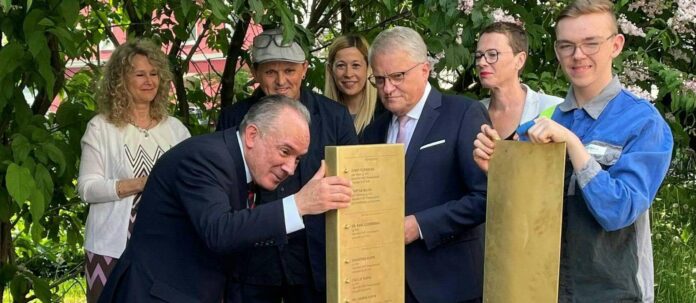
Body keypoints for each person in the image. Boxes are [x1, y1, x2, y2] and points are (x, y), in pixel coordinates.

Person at [473, 1, 673, 302]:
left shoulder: (644, 123)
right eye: (567, 46)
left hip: (610, 294)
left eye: (590, 43)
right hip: (541, 291)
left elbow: (618, 212)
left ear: (616, 45)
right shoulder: (543, 123)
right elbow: (524, 217)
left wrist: (574, 147)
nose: (578, 55)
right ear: (557, 52)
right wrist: (497, 171)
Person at [97, 95, 353, 302]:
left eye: (298, 158)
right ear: (252, 135)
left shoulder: (232, 159)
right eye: (285, 151)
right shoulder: (205, 158)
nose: (290, 168)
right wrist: (300, 204)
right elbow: (219, 230)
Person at [216, 27, 358, 302]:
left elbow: (352, 186)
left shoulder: (334, 117)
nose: (281, 80)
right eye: (270, 72)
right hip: (253, 260)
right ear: (254, 72)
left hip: (315, 257)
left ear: (304, 69)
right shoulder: (233, 119)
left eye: (290, 71)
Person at [361, 26, 490, 303]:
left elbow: (486, 197)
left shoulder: (464, 113)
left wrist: (419, 225)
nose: (387, 88)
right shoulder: (373, 132)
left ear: (425, 69)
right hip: (386, 283)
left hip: (450, 284)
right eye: (379, 79)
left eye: (397, 76)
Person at [77, 38, 190, 303]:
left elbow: (191, 184)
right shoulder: (101, 127)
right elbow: (87, 189)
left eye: (154, 74)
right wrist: (141, 183)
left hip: (168, 246)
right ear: (120, 80)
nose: (149, 81)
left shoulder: (175, 130)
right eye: (140, 74)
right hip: (110, 249)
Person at [475, 22, 562, 140]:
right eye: (479, 55)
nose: (481, 62)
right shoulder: (473, 113)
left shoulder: (554, 109)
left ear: (520, 60)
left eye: (492, 54)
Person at [324, 34, 382, 135]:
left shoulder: (385, 114)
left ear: (369, 67)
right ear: (330, 70)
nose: (348, 74)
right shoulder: (319, 114)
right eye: (341, 65)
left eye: (356, 65)